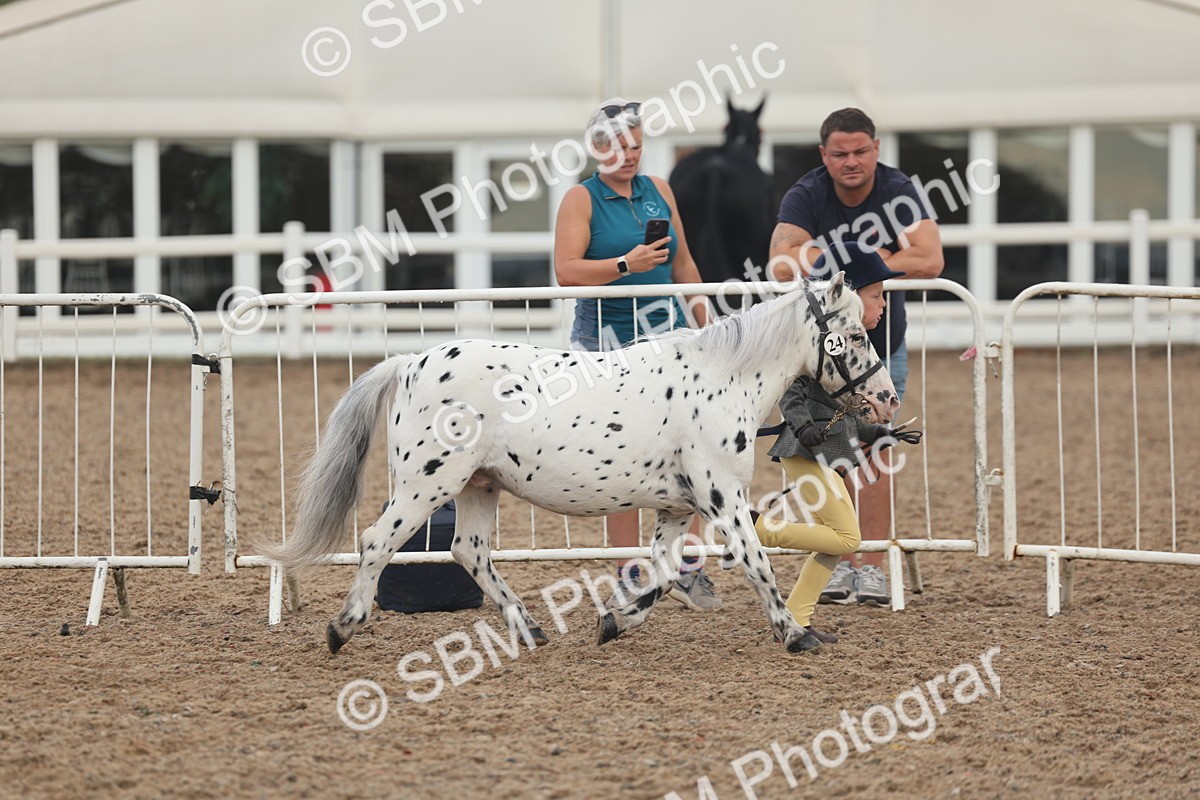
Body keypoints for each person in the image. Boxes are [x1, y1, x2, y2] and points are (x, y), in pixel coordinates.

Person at [766, 108, 944, 605]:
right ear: (824, 155)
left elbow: (930, 258)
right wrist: (865, 257)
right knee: (829, 455)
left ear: (876, 149)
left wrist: (836, 257)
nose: (851, 162)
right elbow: (780, 260)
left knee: (875, 453)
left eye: (860, 151)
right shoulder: (806, 192)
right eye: (840, 153)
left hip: (883, 348)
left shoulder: (898, 188)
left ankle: (871, 567)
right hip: (825, 355)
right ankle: (840, 564)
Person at [553, 98, 719, 611]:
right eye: (620, 147)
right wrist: (626, 263)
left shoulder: (659, 190)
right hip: (604, 341)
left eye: (638, 146)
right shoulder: (580, 199)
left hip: (667, 336)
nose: (630, 156)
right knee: (617, 455)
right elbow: (568, 271)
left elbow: (684, 263)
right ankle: (629, 568)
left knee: (687, 444)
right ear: (598, 148)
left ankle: (685, 564)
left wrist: (706, 324)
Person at [753, 243, 922, 651]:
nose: (884, 304)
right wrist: (803, 424)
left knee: (837, 541)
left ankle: (797, 618)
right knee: (847, 539)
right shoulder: (824, 343)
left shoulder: (847, 344)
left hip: (828, 453)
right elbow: (793, 392)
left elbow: (844, 414)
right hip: (804, 450)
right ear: (848, 294)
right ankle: (757, 529)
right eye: (878, 295)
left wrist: (878, 434)